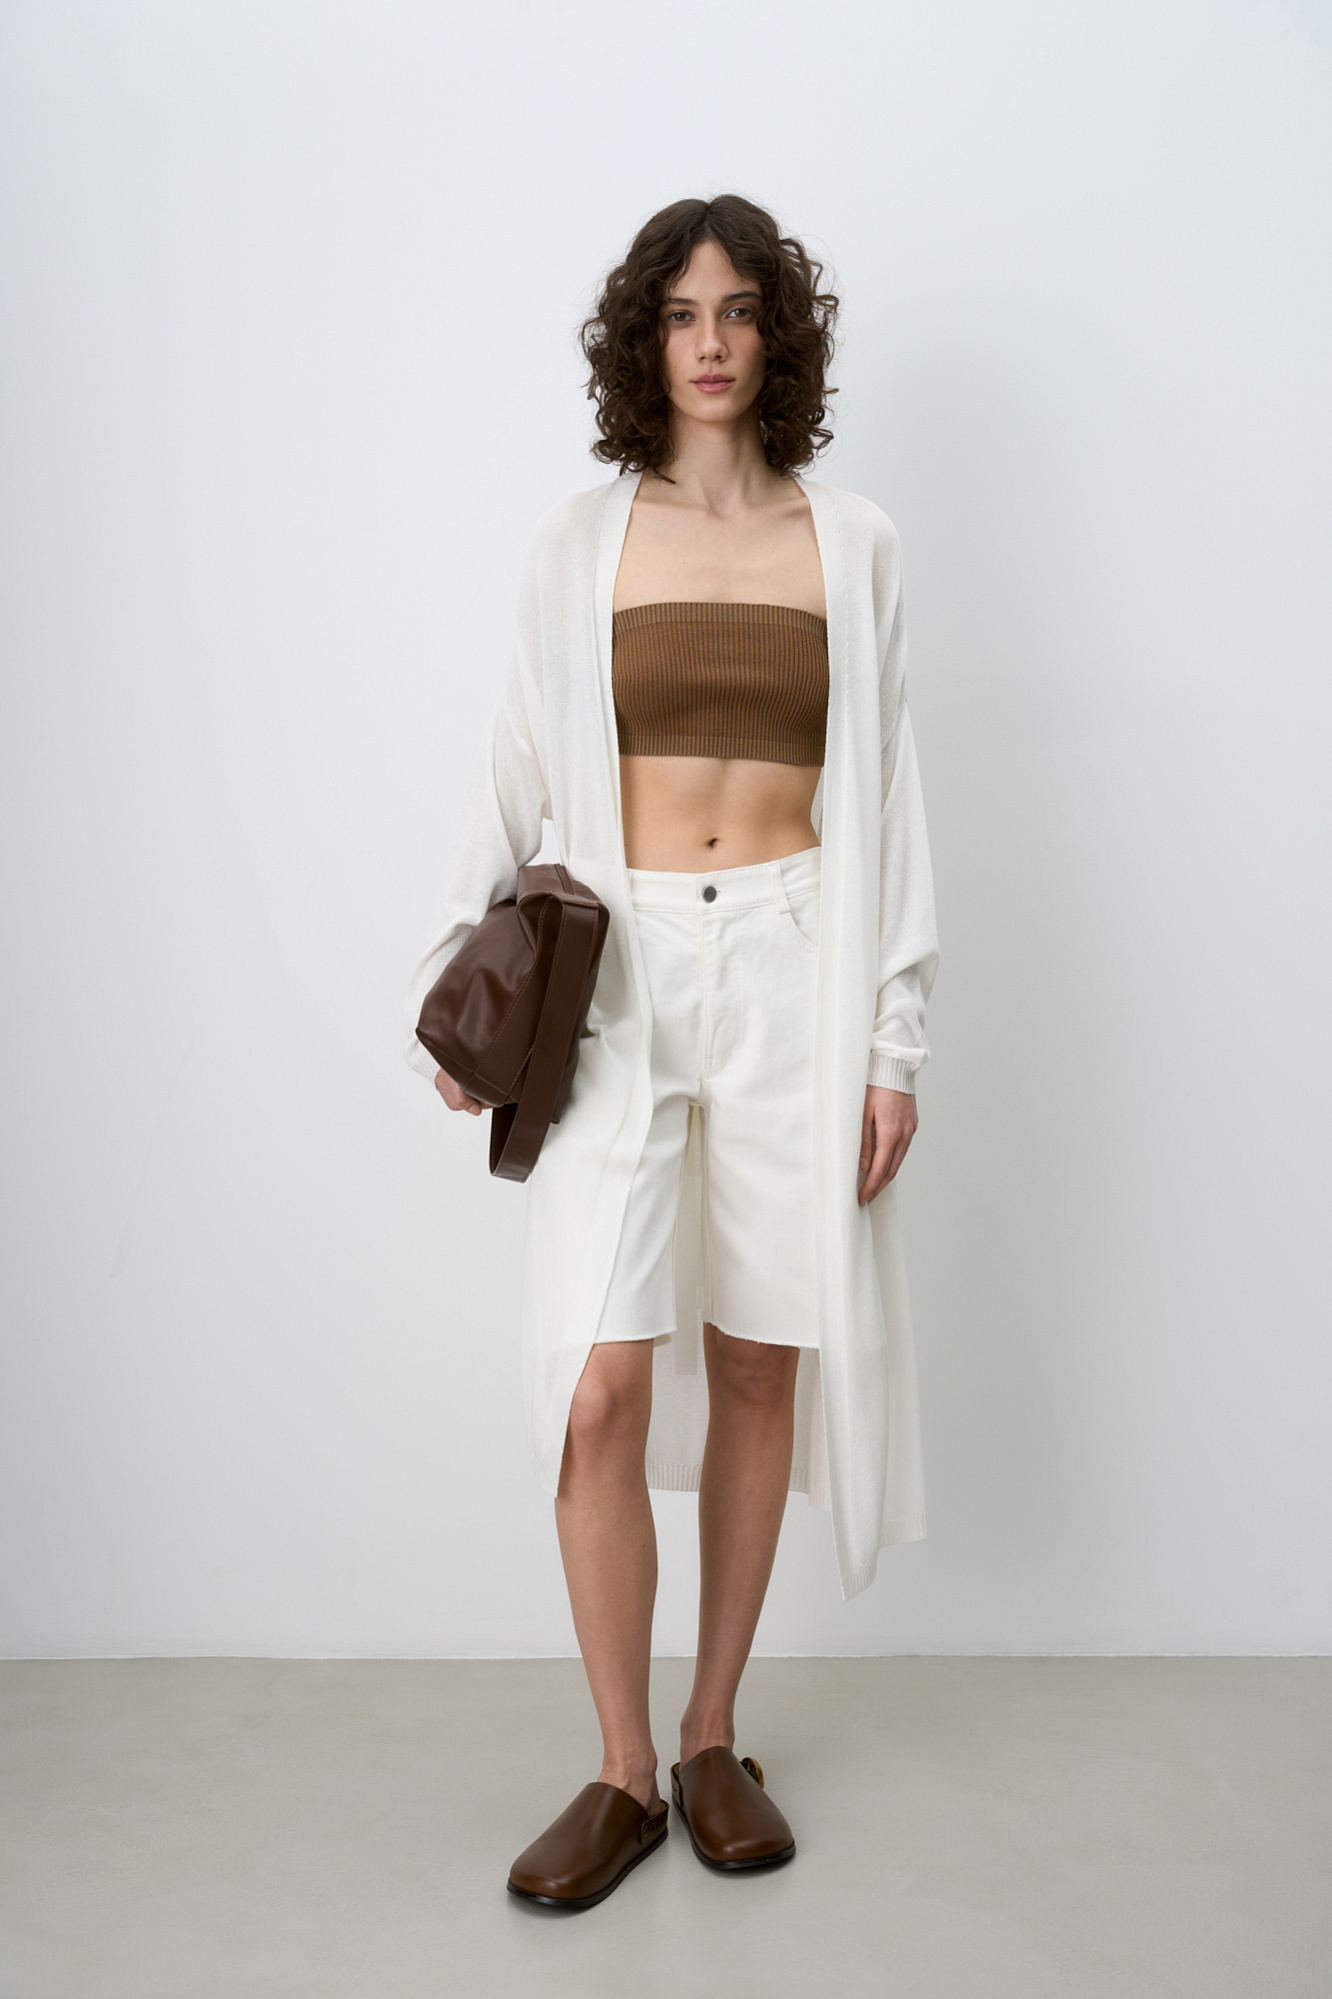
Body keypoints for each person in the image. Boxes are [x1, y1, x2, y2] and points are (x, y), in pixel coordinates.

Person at [404, 194, 938, 1911]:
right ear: (646, 340)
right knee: (603, 1384)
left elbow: (892, 798)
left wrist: (894, 1041)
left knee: (763, 1357)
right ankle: (621, 1770)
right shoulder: (581, 543)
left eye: (741, 310)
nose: (711, 341)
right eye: (681, 313)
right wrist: (454, 990)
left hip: (795, 964)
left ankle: (712, 1738)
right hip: (621, 978)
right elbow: (512, 766)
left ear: (781, 336)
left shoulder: (851, 542)